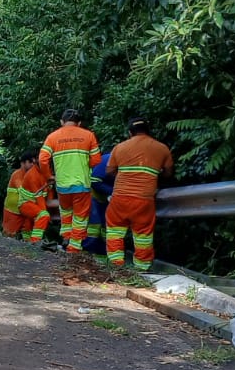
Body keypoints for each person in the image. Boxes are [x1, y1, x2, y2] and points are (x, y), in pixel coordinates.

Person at [105, 116, 175, 271]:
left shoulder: (120, 147)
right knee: (143, 235)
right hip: (144, 199)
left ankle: (116, 267)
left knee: (115, 232)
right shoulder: (162, 148)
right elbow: (168, 173)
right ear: (148, 131)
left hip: (120, 198)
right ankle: (141, 270)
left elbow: (109, 171)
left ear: (130, 132)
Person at [37, 109, 102, 253]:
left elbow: (42, 159)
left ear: (62, 122)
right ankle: (74, 246)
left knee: (66, 212)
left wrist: (49, 176)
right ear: (79, 123)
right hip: (81, 185)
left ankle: (66, 239)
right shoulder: (88, 135)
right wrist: (84, 166)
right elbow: (97, 160)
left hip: (62, 186)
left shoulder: (53, 137)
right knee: (80, 216)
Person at [2, 151, 49, 242]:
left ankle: (30, 244)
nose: (32, 165)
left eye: (34, 162)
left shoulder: (35, 175)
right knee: (8, 235)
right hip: (13, 211)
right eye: (30, 162)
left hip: (25, 210)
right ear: (23, 163)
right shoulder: (17, 174)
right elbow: (24, 190)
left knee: (27, 232)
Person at [81, 148, 114, 255]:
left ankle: (104, 252)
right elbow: (95, 181)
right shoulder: (106, 160)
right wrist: (113, 191)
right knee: (94, 224)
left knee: (106, 225)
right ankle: (86, 252)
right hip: (92, 196)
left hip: (104, 198)